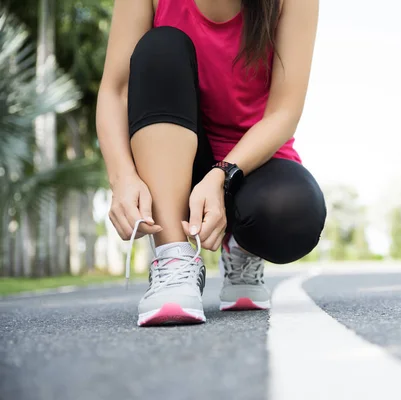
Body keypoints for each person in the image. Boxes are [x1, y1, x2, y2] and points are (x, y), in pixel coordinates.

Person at [96, 0, 325, 326]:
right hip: (175, 156)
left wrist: (222, 175)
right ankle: (173, 257)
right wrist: (122, 178)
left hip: (251, 161)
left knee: (291, 212)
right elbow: (115, 91)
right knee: (160, 47)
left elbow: (284, 113)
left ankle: (241, 246)